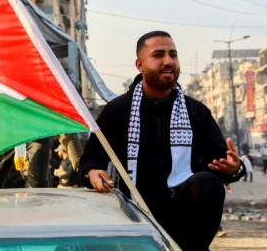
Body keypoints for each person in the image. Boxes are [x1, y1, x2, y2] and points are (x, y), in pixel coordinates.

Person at [78, 30, 245, 251]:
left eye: (173, 55)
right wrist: (92, 172)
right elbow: (90, 160)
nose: (168, 61)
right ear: (140, 64)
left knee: (208, 183)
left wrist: (233, 168)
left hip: (186, 218)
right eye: (158, 55)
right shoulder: (118, 111)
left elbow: (220, 166)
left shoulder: (196, 111)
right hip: (136, 212)